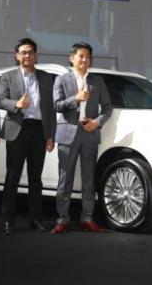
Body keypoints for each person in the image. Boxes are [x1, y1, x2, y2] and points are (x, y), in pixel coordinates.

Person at [50, 43, 113, 234]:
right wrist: (76, 98)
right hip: (67, 134)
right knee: (65, 180)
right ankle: (62, 219)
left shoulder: (97, 81)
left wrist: (97, 123)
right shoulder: (61, 79)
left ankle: (87, 218)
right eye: (81, 56)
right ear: (72, 58)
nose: (85, 59)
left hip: (90, 134)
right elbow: (57, 105)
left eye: (88, 56)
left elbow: (108, 108)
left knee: (89, 180)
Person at [0, 38, 56, 235]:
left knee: (35, 179)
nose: (27, 55)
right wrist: (16, 104)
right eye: (23, 52)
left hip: (39, 130)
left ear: (36, 55)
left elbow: (50, 108)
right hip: (18, 129)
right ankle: (8, 221)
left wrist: (50, 135)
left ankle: (35, 219)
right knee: (12, 177)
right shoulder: (8, 76)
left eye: (30, 52)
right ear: (17, 55)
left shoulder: (45, 77)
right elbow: (0, 100)